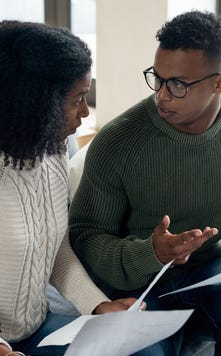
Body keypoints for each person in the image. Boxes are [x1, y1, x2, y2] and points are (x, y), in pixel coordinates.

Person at [69, 10, 221, 355]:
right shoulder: (117, 141)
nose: (162, 95)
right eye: (157, 79)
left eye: (177, 85)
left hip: (215, 271)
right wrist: (151, 253)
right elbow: (86, 236)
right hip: (139, 286)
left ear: (219, 82)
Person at [0, 20, 166, 356]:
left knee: (145, 349)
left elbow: (57, 249)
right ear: (36, 102)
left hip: (35, 330)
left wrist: (99, 307)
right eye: (77, 99)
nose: (85, 113)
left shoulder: (53, 152)